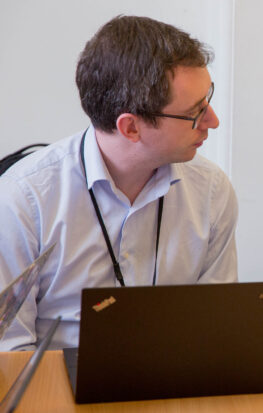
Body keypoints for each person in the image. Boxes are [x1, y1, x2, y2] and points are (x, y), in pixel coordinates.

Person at [0, 16, 238, 350]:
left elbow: (214, 327)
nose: (213, 121)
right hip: (56, 392)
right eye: (196, 112)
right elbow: (9, 352)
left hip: (173, 387)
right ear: (130, 128)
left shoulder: (211, 190)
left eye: (208, 99)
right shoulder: (23, 200)